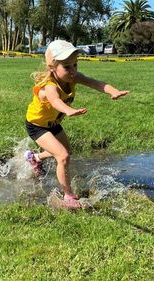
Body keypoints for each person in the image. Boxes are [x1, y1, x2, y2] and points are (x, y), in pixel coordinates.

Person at [24, 40, 130, 209]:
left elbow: (97, 83)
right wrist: (68, 110)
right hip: (37, 125)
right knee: (63, 156)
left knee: (67, 152)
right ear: (52, 67)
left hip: (53, 123)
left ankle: (35, 158)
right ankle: (68, 195)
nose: (73, 70)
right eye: (67, 67)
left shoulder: (74, 78)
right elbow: (55, 100)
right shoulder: (49, 86)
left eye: (75, 65)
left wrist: (113, 91)